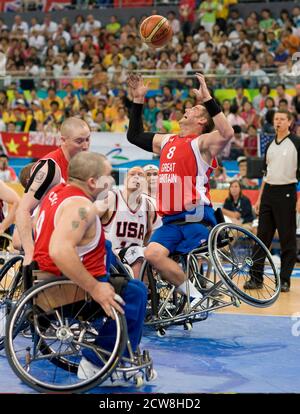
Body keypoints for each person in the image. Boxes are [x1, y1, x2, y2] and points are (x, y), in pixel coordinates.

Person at [33, 152, 148, 379]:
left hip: (49, 281)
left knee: (105, 247)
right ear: (93, 182)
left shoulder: (59, 193)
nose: (112, 182)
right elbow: (59, 249)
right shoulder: (80, 208)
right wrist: (95, 288)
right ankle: (97, 362)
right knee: (136, 292)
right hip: (67, 291)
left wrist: (94, 211)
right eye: (108, 176)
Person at [127, 73, 234, 307]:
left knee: (162, 254)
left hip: (196, 218)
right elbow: (133, 136)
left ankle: (194, 291)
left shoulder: (202, 143)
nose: (188, 108)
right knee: (151, 255)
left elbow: (227, 133)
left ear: (202, 121)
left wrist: (208, 100)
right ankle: (194, 295)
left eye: (195, 109)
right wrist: (137, 101)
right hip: (171, 222)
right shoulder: (167, 140)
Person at [16, 117, 90, 266]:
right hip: (50, 242)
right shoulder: (49, 168)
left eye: (88, 140)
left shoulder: (82, 168)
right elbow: (23, 209)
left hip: (71, 238)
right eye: (79, 141)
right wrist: (30, 252)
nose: (85, 146)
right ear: (63, 140)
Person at [244, 110, 300, 293]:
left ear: (290, 122)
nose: (278, 122)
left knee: (287, 239)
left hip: (287, 192)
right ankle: (255, 278)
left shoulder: (296, 143)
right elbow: (266, 175)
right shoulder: (269, 145)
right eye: (276, 119)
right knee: (262, 237)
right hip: (268, 193)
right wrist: (260, 198)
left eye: (282, 119)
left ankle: (284, 280)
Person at [98, 166, 154, 279]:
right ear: (125, 179)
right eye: (132, 174)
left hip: (135, 256)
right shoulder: (112, 198)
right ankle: (141, 289)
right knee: (138, 252)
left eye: (140, 175)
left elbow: (148, 233)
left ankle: (149, 290)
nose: (136, 177)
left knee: (149, 252)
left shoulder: (148, 206)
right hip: (112, 254)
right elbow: (91, 219)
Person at [143, 164, 162, 231]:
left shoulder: (166, 197)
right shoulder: (141, 198)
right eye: (148, 175)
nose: (152, 177)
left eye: (155, 174)